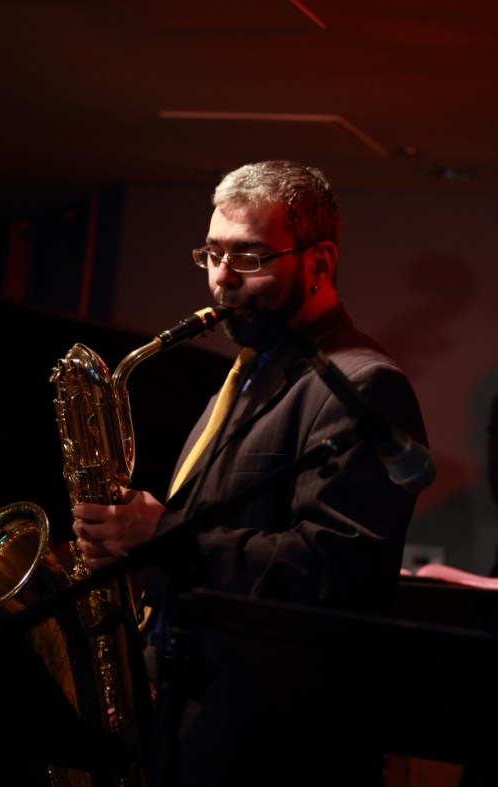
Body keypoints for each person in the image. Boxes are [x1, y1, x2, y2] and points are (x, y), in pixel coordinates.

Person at [72, 160, 431, 786]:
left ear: (319, 263)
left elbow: (333, 571)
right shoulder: (237, 384)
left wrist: (163, 537)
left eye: (249, 256)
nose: (222, 278)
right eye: (212, 254)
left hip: (273, 751)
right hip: (188, 727)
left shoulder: (365, 384)